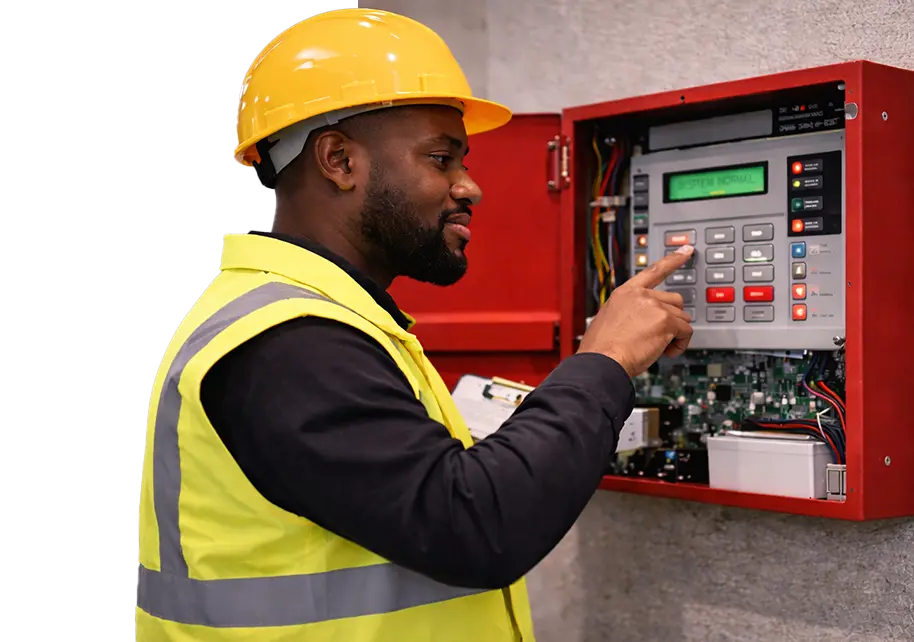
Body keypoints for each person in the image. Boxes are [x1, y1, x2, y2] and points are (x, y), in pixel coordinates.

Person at [135, 8, 694, 641]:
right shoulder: (286, 341)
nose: (470, 187)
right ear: (339, 160)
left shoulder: (318, 319)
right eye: (441, 158)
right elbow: (475, 524)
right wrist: (605, 361)